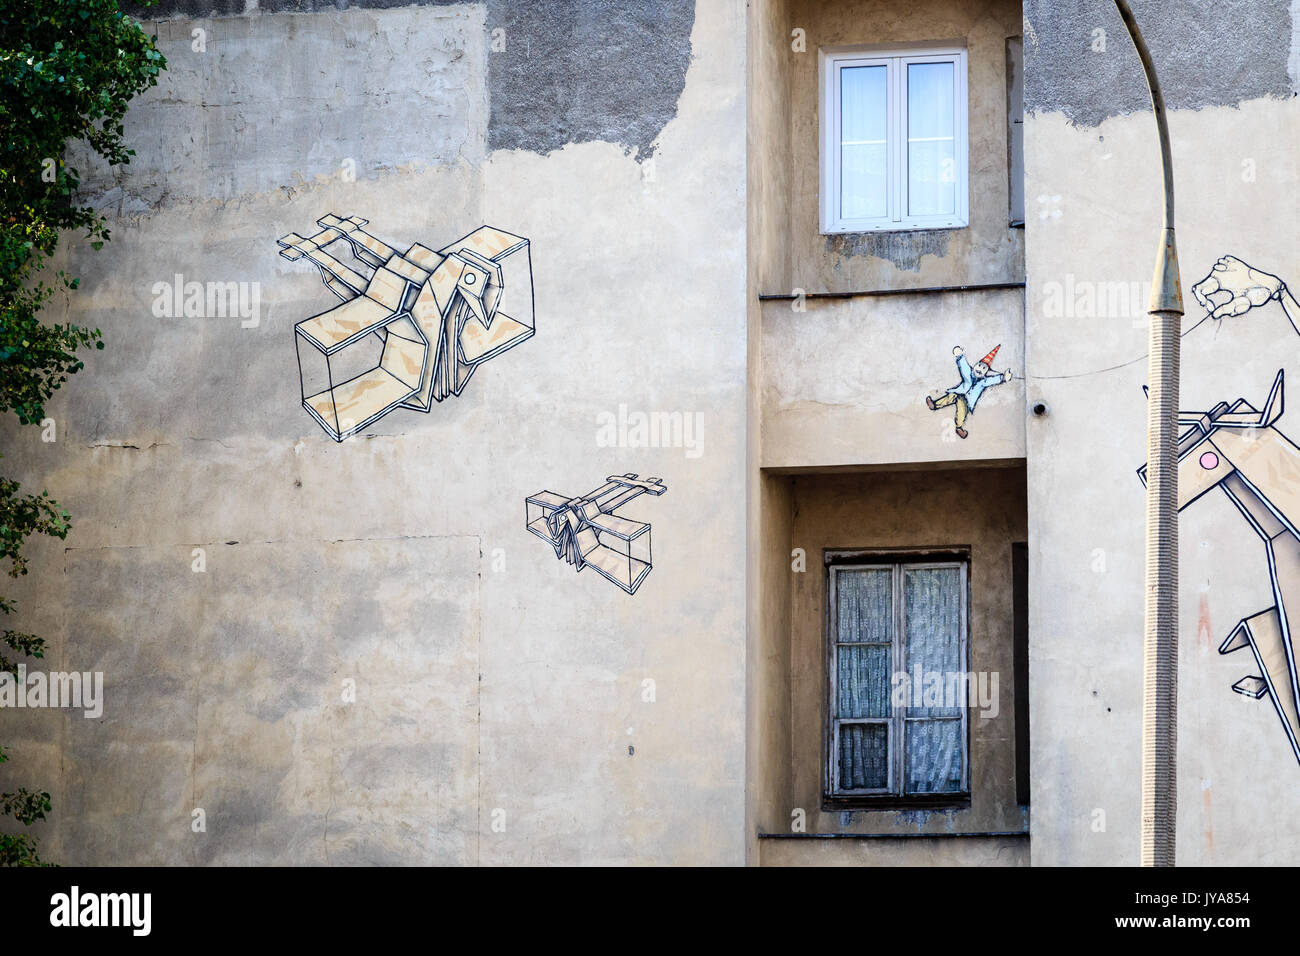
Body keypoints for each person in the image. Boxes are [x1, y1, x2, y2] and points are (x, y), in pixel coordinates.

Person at [925, 344, 1014, 439]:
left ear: (986, 372)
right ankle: (934, 405)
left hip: (967, 401)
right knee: (950, 397)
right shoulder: (969, 373)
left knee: (961, 411)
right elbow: (964, 367)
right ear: (976, 365)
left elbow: (990, 381)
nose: (980, 369)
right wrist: (960, 356)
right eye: (979, 366)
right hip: (958, 393)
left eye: (984, 368)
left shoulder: (983, 382)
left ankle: (959, 428)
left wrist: (1003, 378)